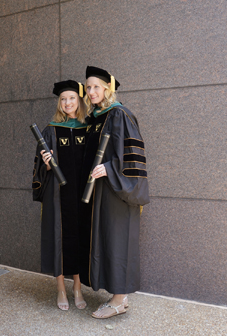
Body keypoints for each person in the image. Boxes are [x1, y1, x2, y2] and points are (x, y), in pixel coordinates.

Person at [83, 66, 149, 319]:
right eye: (88, 87)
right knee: (107, 239)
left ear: (108, 88)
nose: (91, 92)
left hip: (118, 192)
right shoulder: (96, 118)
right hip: (102, 191)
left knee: (119, 240)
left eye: (96, 87)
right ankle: (116, 296)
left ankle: (120, 300)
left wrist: (109, 169)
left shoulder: (120, 115)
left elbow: (132, 158)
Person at [32, 80, 91, 311]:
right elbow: (39, 166)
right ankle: (60, 288)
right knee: (58, 237)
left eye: (72, 98)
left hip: (80, 194)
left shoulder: (87, 127)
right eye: (64, 99)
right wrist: (46, 166)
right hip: (57, 194)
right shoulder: (50, 129)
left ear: (79, 101)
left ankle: (77, 287)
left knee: (78, 237)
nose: (67, 103)